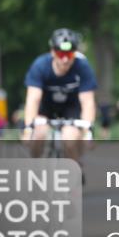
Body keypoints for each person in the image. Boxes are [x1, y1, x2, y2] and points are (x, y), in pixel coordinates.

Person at [21, 29, 97, 161]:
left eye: (70, 54)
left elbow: (87, 101)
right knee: (38, 134)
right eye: (61, 54)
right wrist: (28, 129)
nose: (65, 59)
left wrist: (87, 132)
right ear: (52, 52)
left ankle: (75, 166)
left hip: (71, 107)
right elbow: (33, 99)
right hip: (46, 106)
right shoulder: (40, 65)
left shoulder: (83, 67)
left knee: (70, 137)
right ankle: (35, 164)